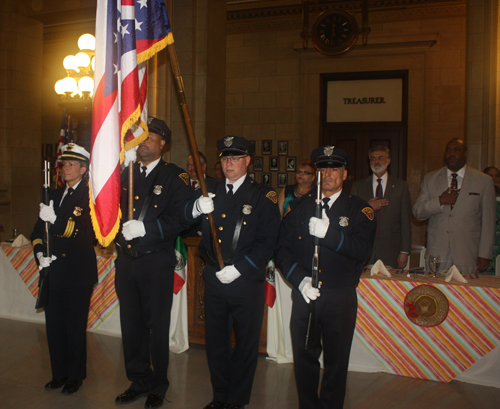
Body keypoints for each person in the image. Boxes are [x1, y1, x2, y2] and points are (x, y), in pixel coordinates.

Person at [276, 146, 376, 409]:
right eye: (323, 168)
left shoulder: (359, 210)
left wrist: (331, 234)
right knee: (304, 359)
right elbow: (281, 250)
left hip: (338, 296)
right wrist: (299, 280)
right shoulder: (298, 208)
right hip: (305, 293)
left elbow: (362, 251)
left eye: (334, 168)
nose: (327, 174)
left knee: (336, 361)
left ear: (345, 173)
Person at [186, 135, 281, 409]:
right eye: (225, 158)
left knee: (245, 345)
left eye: (236, 158)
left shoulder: (262, 195)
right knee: (215, 343)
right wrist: (195, 209)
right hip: (214, 280)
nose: (229, 163)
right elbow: (186, 224)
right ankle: (220, 397)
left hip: (245, 282)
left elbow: (268, 243)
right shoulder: (209, 190)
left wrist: (239, 269)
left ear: (247, 161)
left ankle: (236, 401)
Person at [114, 117, 192, 409]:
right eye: (139, 137)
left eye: (150, 138)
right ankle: (138, 380)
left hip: (155, 261)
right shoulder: (125, 174)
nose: (143, 142)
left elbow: (184, 218)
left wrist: (148, 229)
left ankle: (158, 384)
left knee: (156, 326)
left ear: (163, 143)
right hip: (126, 261)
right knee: (131, 325)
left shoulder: (175, 177)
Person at [31, 143, 97, 395]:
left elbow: (82, 232)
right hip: (53, 270)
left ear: (83, 168)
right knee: (54, 326)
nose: (65, 168)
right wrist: (39, 254)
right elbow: (37, 231)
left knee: (74, 326)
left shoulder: (90, 196)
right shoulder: (54, 194)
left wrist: (55, 221)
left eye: (71, 164)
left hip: (78, 271)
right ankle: (58, 373)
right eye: (64, 164)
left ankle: (75, 376)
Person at [413, 138, 496, 275]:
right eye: (448, 150)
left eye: (456, 150)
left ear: (466, 153)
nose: (451, 153)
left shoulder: (483, 181)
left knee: (465, 295)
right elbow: (417, 212)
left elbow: (489, 222)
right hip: (437, 254)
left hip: (468, 254)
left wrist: (485, 254)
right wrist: (439, 201)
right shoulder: (430, 179)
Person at [350, 146, 412, 269]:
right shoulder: (358, 186)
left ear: (388, 161)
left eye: (380, 158)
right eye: (372, 158)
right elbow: (350, 217)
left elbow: (405, 221)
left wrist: (404, 251)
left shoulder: (401, 186)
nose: (376, 161)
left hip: (391, 251)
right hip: (364, 250)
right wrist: (367, 207)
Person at [183, 152, 218, 237]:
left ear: (204, 166)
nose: (192, 168)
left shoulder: (214, 185)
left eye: (195, 164)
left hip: (204, 235)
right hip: (183, 235)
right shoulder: (181, 184)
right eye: (189, 165)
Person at [483, 166, 500, 272]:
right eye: (490, 176)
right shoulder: (482, 193)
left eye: (497, 176)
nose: (494, 178)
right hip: (487, 241)